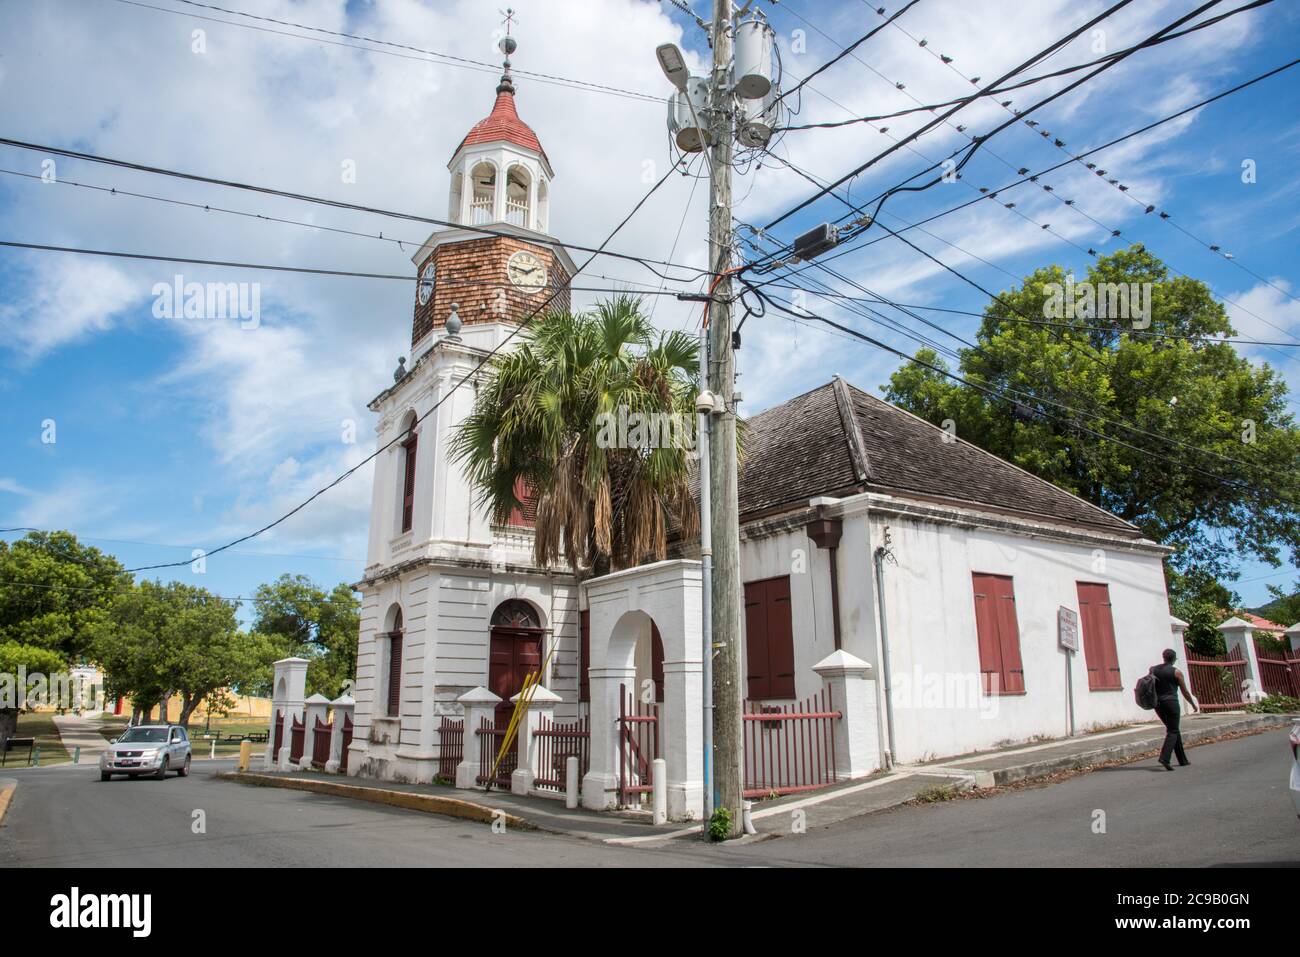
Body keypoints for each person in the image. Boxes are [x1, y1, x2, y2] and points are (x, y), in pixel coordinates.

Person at [1151, 648, 1198, 770]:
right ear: (1174, 659)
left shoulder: (1153, 670)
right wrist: (1193, 704)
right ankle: (1164, 758)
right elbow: (1185, 692)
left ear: (1164, 657)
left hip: (1158, 705)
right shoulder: (1176, 672)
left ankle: (1182, 760)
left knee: (1173, 729)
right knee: (1173, 731)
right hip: (1171, 703)